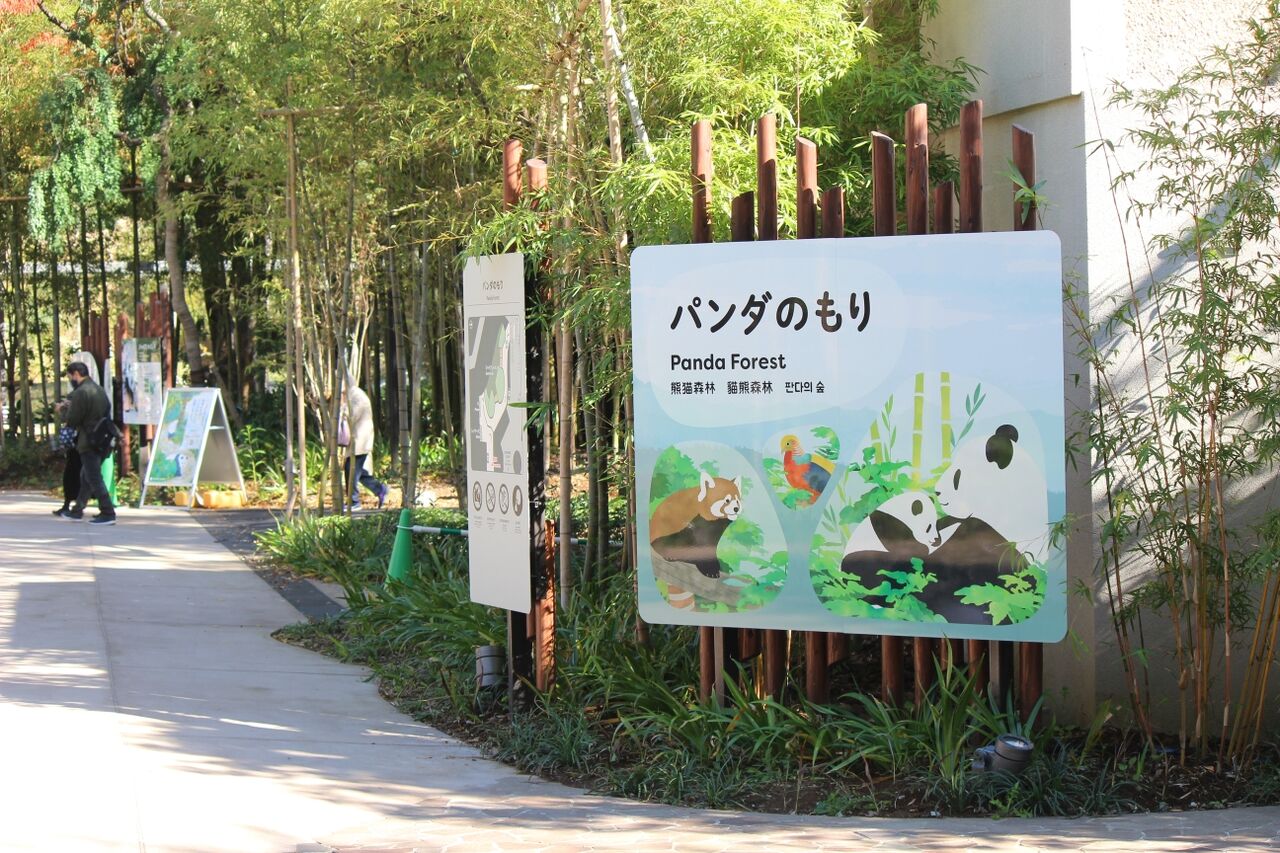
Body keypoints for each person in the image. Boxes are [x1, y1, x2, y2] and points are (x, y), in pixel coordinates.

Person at [57, 361, 116, 525]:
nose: (71, 380)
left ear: (76, 373)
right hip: (102, 438)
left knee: (94, 477)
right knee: (86, 476)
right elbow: (105, 410)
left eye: (70, 376)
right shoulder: (98, 390)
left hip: (88, 440)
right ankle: (77, 511)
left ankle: (108, 512)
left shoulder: (81, 392)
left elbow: (72, 419)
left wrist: (62, 409)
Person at [342, 379, 389, 510]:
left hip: (360, 440)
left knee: (350, 469)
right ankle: (380, 489)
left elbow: (353, 415)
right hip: (359, 439)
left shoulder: (356, 395)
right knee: (360, 473)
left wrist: (342, 410)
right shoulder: (354, 394)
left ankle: (354, 502)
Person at [52, 397, 82, 516]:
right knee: (71, 477)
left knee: (84, 478)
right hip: (74, 447)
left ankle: (105, 508)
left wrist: (64, 408)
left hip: (79, 446)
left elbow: (71, 419)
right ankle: (68, 505)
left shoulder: (80, 401)